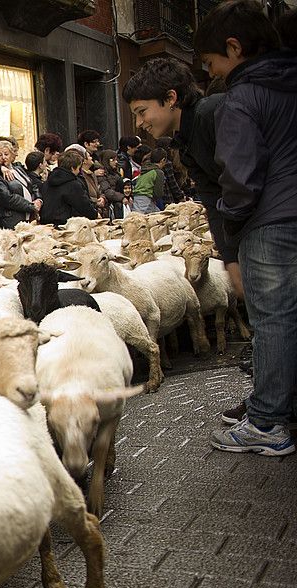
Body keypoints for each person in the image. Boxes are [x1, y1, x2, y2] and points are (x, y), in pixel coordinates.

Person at [195, 0, 296, 455]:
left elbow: (239, 174)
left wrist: (231, 215)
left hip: (270, 220)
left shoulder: (242, 98)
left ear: (233, 48)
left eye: (211, 61)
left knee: (273, 318)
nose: (212, 72)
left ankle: (267, 423)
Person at [122, 56, 236, 284]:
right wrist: (231, 259)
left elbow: (241, 184)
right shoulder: (185, 142)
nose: (139, 123)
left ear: (171, 98)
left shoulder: (213, 116)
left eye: (142, 111)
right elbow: (212, 199)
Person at [0, 138, 39, 229]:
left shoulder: (18, 168)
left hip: (29, 217)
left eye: (6, 154)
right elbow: (7, 198)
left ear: (12, 155)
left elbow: (32, 185)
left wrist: (38, 199)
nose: (3, 157)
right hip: (12, 220)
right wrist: (31, 206)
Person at [39, 148, 98, 224]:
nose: (79, 171)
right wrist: (95, 215)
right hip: (65, 225)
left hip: (46, 224)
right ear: (73, 168)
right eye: (78, 168)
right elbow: (83, 205)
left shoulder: (48, 182)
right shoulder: (73, 184)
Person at [65, 144, 105, 215]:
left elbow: (99, 190)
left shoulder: (92, 174)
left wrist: (102, 198)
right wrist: (95, 203)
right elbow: (83, 198)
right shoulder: (78, 178)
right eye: (88, 156)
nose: (91, 158)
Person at [129, 149, 166, 213]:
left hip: (137, 196)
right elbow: (158, 192)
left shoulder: (145, 169)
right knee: (139, 218)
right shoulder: (158, 172)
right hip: (146, 198)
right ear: (163, 160)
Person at [94, 149, 125, 219]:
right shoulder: (101, 173)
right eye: (113, 160)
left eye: (116, 160)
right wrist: (122, 197)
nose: (116, 162)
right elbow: (107, 191)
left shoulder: (115, 172)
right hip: (107, 206)